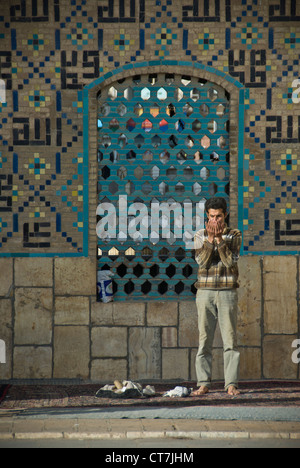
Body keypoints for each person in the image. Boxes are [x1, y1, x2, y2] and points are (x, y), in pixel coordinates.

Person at [192, 197, 242, 397]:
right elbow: (202, 263)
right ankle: (203, 383)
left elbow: (230, 262)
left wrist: (220, 239)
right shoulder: (199, 235)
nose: (215, 221)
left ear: (225, 215)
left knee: (230, 340)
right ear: (207, 216)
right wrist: (211, 240)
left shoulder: (235, 234)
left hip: (227, 292)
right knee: (204, 340)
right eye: (212, 216)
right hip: (205, 293)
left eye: (219, 216)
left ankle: (231, 384)